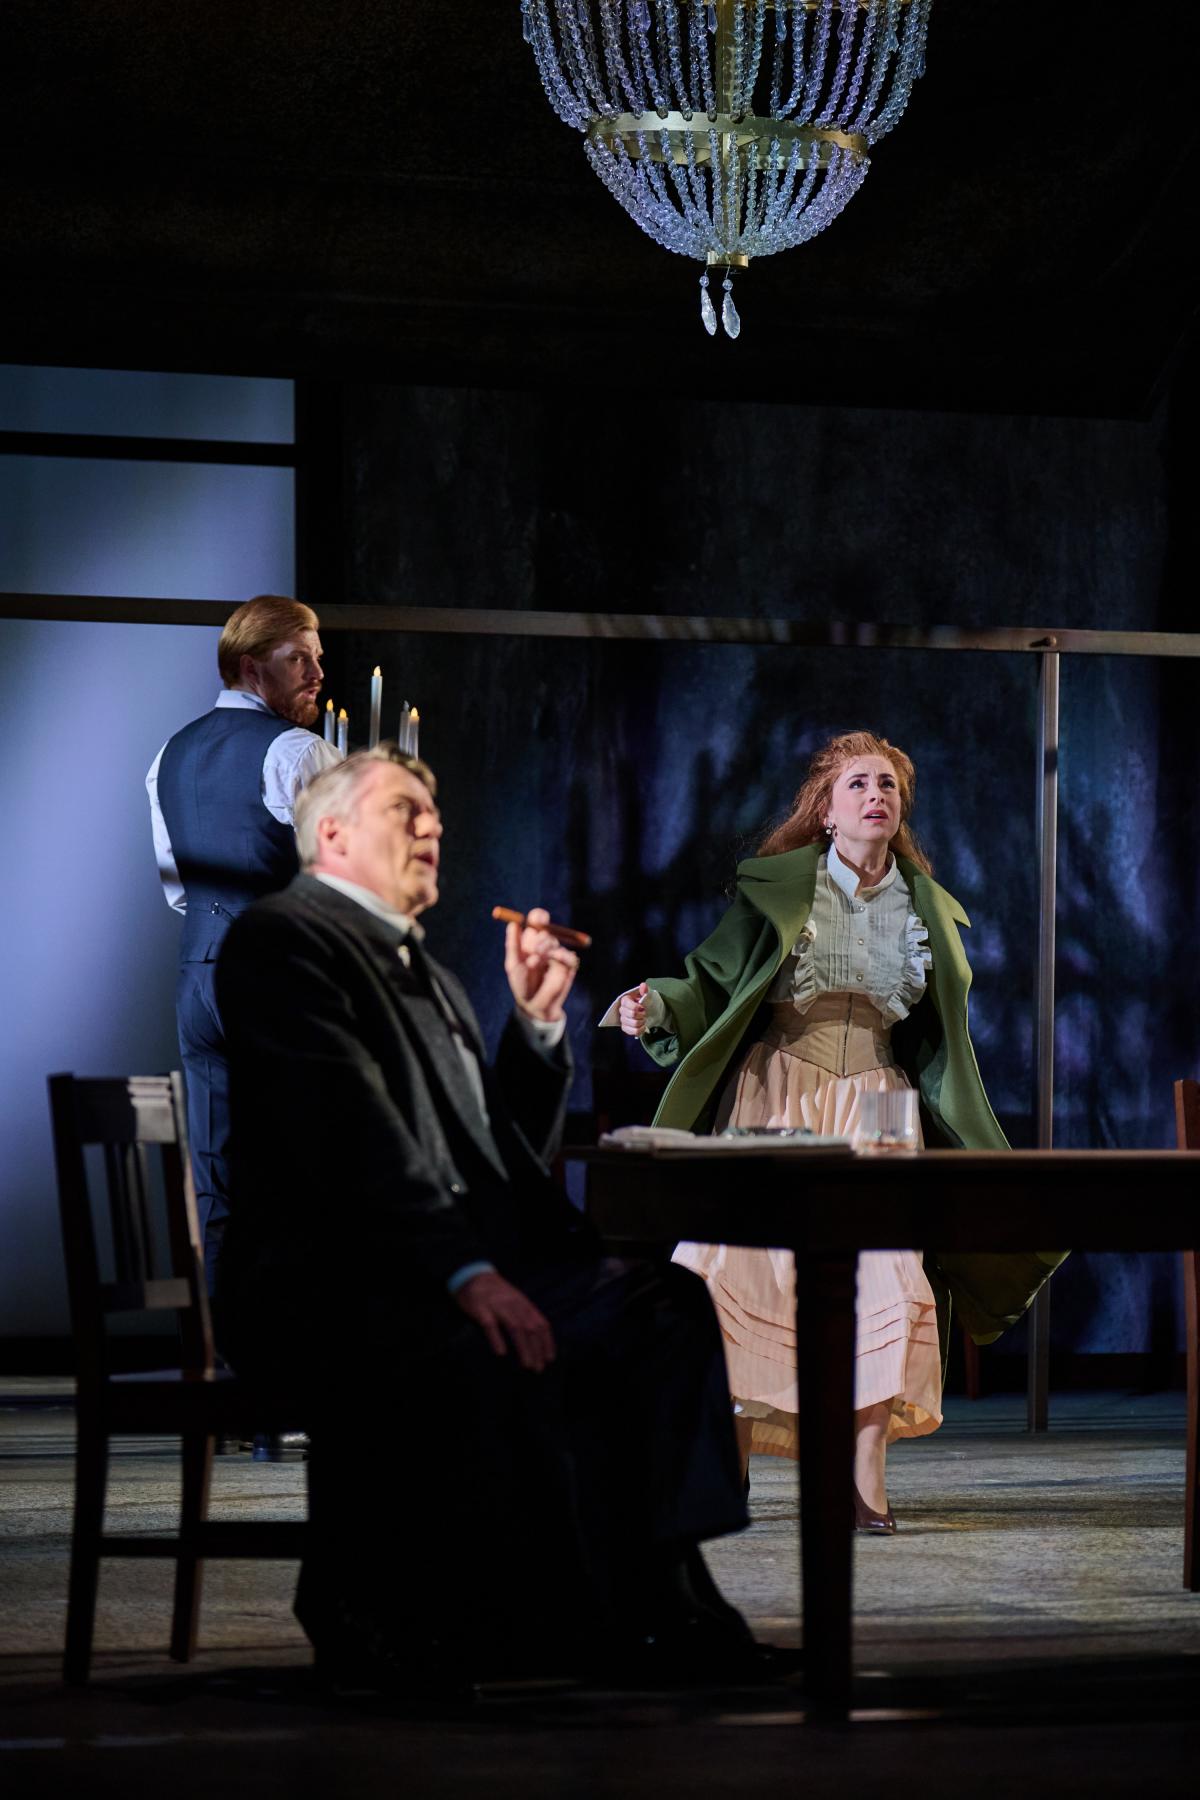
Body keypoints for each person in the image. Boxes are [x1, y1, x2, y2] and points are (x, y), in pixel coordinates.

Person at [213, 746, 766, 1695]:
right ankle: (470, 1621)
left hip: (424, 1261)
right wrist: (466, 1272)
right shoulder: (284, 937)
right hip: (334, 1281)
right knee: (558, 1330)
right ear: (331, 832)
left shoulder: (422, 969)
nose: (433, 826)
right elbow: (348, 1133)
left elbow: (492, 1153)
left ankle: (657, 1599)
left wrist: (537, 1026)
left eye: (435, 813)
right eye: (406, 809)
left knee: (661, 1305)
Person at [608, 731, 1066, 1533]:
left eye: (887, 785)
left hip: (880, 1103)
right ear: (825, 809)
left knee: (892, 1277)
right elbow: (710, 981)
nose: (875, 796)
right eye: (857, 784)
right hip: (778, 1089)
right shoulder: (782, 892)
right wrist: (657, 1005)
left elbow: (937, 1032)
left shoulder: (925, 906)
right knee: (742, 1274)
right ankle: (729, 1467)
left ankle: (864, 1483)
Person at [146, 593, 340, 1289]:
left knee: (218, 1178)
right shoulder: (300, 751)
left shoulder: (170, 753)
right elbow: (348, 885)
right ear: (252, 667)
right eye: (299, 659)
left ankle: (222, 1344)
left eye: (317, 658)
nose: (317, 673)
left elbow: (178, 887)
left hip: (199, 975)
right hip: (279, 977)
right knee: (306, 1167)